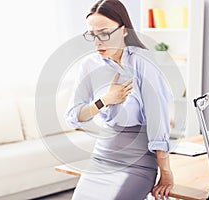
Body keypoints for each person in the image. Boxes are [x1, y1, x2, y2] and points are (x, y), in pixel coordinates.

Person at [66, 0, 174, 199]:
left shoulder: (143, 62)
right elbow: (74, 116)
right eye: (92, 35)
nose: (98, 41)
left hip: (138, 162)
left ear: (123, 30)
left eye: (105, 33)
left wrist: (165, 172)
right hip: (102, 156)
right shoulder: (88, 65)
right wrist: (105, 100)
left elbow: (158, 120)